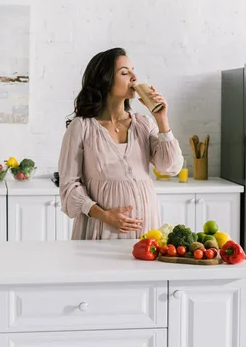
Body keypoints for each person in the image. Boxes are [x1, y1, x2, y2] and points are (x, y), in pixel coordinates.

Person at [58, 47, 183, 240]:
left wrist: (162, 120)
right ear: (105, 81)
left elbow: (170, 167)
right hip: (100, 229)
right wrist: (105, 216)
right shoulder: (82, 127)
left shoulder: (143, 123)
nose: (134, 77)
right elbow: (69, 186)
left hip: (145, 228)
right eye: (124, 73)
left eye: (133, 70)